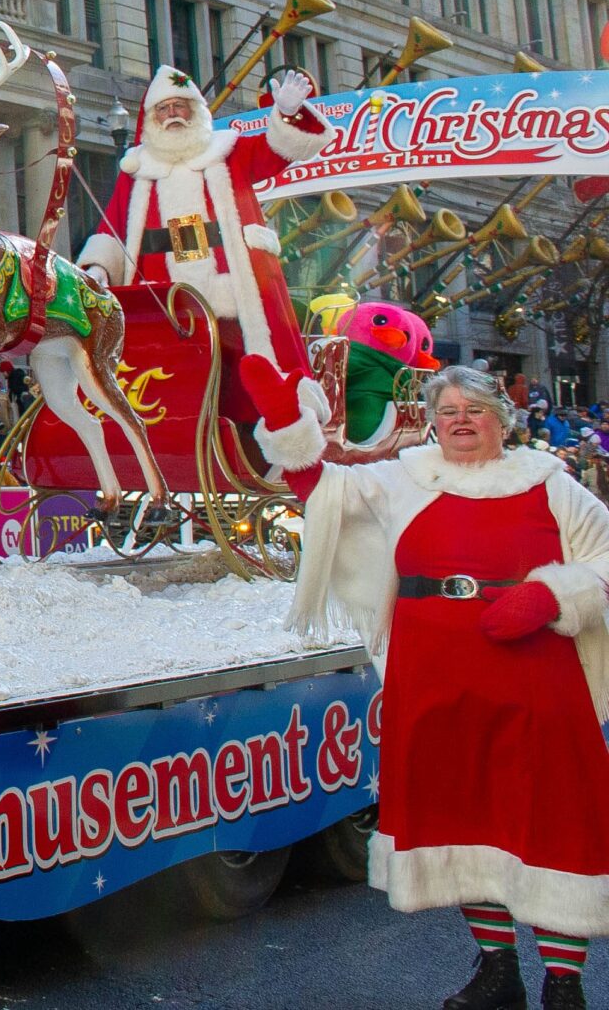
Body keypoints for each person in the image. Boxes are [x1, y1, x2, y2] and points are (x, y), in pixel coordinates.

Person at [244, 357, 607, 1010]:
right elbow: (325, 492)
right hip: (436, 673)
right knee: (461, 819)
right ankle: (499, 971)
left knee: (546, 818)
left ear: (503, 416)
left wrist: (551, 593)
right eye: (448, 411)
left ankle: (564, 982)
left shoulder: (551, 483)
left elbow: (605, 555)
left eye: (474, 409)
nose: (460, 420)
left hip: (534, 673)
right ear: (433, 421)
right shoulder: (405, 477)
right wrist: (286, 429)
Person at [77, 65, 333, 424]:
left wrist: (287, 113)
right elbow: (113, 226)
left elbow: (279, 151)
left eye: (180, 106)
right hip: (160, 297)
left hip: (232, 291)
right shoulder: (137, 169)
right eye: (163, 109)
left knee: (245, 378)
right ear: (151, 117)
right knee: (170, 381)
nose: (172, 116)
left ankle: (256, 443)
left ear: (195, 110)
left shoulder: (227, 151)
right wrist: (99, 268)